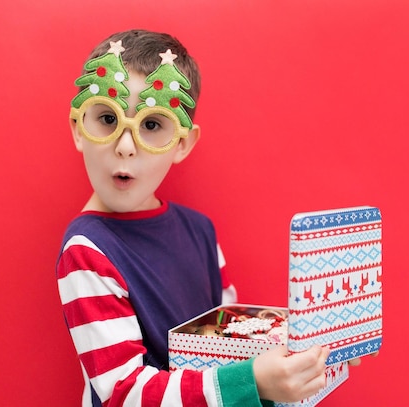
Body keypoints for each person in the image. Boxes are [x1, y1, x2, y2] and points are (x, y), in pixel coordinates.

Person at [56, 29, 330, 407]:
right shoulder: (88, 251)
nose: (124, 146)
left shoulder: (200, 231)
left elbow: (228, 343)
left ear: (182, 143)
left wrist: (313, 360)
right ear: (78, 129)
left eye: (152, 125)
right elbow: (123, 394)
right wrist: (252, 382)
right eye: (107, 119)